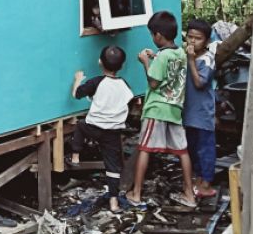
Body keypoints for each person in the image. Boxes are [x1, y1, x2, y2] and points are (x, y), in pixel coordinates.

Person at [126, 11, 197, 208]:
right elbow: (170, 68)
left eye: (152, 35)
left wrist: (146, 62)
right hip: (175, 108)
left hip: (157, 108)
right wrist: (155, 57)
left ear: (158, 35)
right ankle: (189, 194)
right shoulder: (180, 53)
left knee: (145, 148)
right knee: (182, 151)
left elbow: (154, 82)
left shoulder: (161, 58)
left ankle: (136, 193)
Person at [70, 45, 135, 212]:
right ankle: (114, 202)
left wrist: (78, 79)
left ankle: (76, 156)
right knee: (113, 167)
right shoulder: (124, 85)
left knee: (80, 126)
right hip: (112, 132)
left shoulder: (96, 82)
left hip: (93, 126)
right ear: (121, 66)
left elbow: (76, 94)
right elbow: (130, 102)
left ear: (100, 62)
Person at [182, 18, 218, 199]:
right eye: (190, 37)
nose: (193, 41)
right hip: (188, 111)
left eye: (198, 38)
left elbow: (199, 83)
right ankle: (197, 179)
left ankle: (206, 182)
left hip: (203, 112)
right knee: (191, 147)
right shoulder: (186, 55)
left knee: (206, 148)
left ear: (207, 41)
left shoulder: (207, 59)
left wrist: (190, 60)